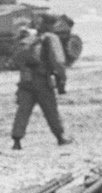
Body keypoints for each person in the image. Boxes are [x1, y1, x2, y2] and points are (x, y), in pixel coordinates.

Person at [11, 15, 70, 150]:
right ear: (52, 25)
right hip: (42, 80)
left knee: (23, 111)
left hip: (25, 79)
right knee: (50, 110)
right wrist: (62, 78)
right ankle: (60, 137)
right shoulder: (51, 38)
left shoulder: (29, 38)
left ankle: (17, 141)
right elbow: (58, 62)